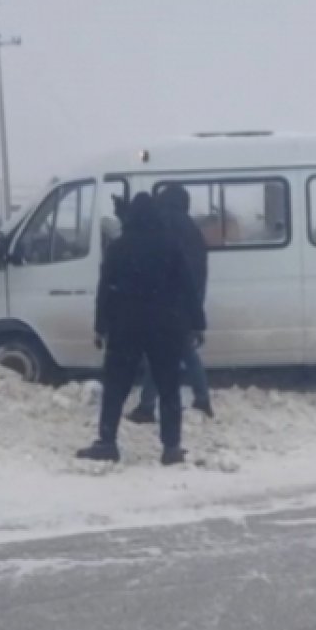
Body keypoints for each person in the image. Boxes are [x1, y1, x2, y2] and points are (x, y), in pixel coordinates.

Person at [77, 192, 206, 466]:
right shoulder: (171, 246)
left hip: (126, 327)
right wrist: (197, 324)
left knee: (115, 388)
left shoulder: (118, 247)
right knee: (169, 388)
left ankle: (108, 442)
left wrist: (101, 327)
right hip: (166, 327)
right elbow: (188, 288)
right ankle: (171, 447)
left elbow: (105, 291)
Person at [126, 183, 213, 423]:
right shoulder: (193, 230)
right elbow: (199, 272)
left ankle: (146, 407)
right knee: (184, 351)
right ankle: (202, 398)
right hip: (187, 302)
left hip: (165, 302)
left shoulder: (163, 224)